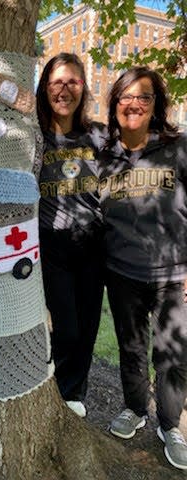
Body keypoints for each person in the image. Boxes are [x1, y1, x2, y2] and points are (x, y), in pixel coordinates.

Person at [98, 66, 187, 470]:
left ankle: (170, 426)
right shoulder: (103, 156)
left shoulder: (178, 148)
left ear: (156, 105)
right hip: (121, 273)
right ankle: (136, 408)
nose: (133, 103)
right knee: (131, 350)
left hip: (174, 274)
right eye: (125, 96)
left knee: (173, 354)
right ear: (115, 103)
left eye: (144, 97)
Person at [36, 53, 106, 418]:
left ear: (83, 88)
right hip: (51, 246)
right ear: (45, 87)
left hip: (93, 245)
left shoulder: (98, 135)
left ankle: (74, 395)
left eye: (72, 82)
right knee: (66, 328)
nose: (64, 89)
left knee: (88, 327)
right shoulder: (35, 136)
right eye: (56, 82)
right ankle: (58, 391)